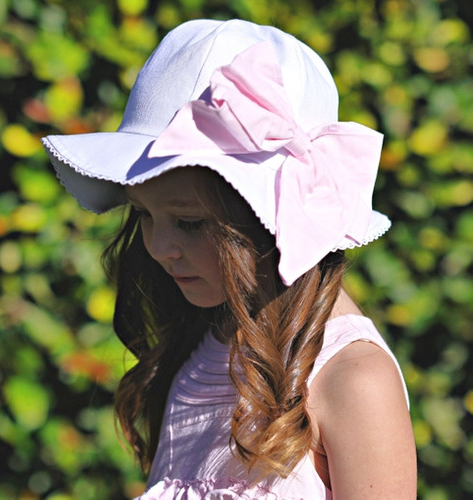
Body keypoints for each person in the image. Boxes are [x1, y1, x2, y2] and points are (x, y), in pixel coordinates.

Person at [42, 19, 416, 499]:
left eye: (191, 223)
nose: (158, 247)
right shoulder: (201, 351)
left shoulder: (352, 381)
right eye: (144, 215)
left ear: (271, 217)